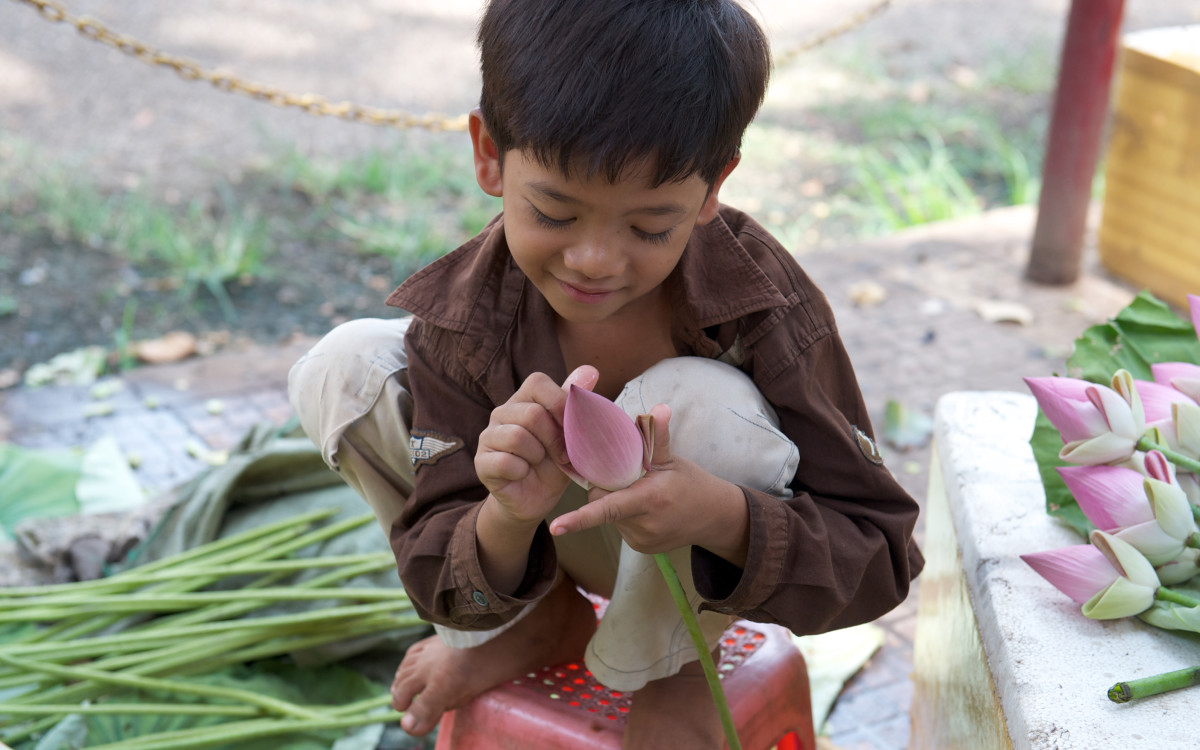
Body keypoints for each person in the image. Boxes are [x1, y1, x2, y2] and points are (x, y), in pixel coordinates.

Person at [289, 0, 924, 746]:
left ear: (714, 186)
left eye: (651, 227)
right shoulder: (464, 324)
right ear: (489, 154)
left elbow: (879, 556)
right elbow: (437, 563)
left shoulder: (760, 303)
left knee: (694, 402)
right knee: (346, 365)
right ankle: (535, 621)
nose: (594, 260)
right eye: (555, 214)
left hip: (687, 559)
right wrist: (507, 512)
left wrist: (721, 513)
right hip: (547, 542)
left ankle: (670, 663)